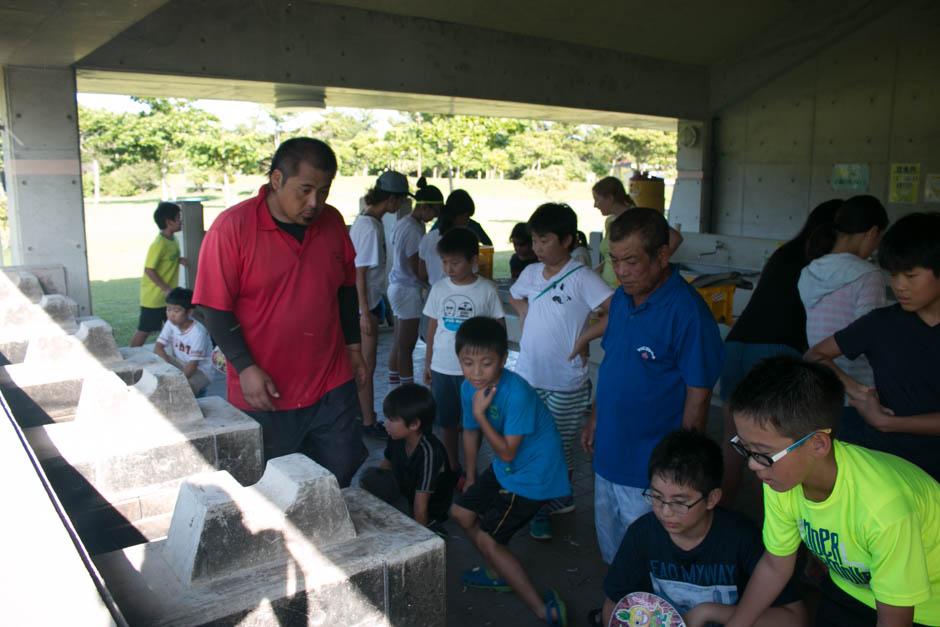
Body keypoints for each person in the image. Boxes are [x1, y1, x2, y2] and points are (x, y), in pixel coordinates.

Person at [193, 137, 367, 487]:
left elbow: (346, 290)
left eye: (324, 190)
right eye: (304, 189)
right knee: (275, 486)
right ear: (276, 180)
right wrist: (244, 367)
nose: (314, 202)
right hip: (266, 387)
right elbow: (213, 306)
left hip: (331, 380)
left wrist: (354, 349)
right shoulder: (232, 228)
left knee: (341, 468)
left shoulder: (332, 223)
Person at [724, 355, 940, 627]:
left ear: (817, 445)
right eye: (745, 448)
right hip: (850, 589)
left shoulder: (883, 508)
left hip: (925, 610)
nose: (752, 464)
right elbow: (774, 565)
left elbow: (896, 619)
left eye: (762, 454)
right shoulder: (780, 477)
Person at [580, 208, 724, 565]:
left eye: (631, 261)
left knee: (652, 558)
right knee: (613, 551)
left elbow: (699, 394)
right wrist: (595, 416)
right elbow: (612, 366)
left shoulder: (688, 312)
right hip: (609, 457)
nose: (622, 272)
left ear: (661, 256)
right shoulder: (623, 303)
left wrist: (682, 467)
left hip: (652, 471)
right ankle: (619, 609)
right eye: (615, 261)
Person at [597, 430, 806, 627]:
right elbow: (614, 604)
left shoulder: (742, 538)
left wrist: (708, 611)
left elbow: (794, 619)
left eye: (680, 502)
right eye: (657, 497)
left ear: (712, 498)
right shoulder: (642, 534)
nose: (665, 512)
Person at [718, 199, 842, 504]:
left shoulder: (785, 252)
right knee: (774, 446)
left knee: (735, 439)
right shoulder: (824, 261)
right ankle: (772, 521)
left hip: (737, 343)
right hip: (776, 348)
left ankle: (719, 513)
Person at [451, 316, 570, 626]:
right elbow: (469, 431)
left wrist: (480, 413)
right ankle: (497, 570)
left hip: (533, 475)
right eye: (468, 362)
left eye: (486, 363)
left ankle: (542, 610)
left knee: (490, 540)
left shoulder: (516, 392)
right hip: (507, 467)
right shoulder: (469, 387)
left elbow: (505, 450)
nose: (476, 373)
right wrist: (471, 477)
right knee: (462, 514)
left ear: (503, 360)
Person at [805, 211, 940, 480]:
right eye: (893, 275)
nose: (899, 286)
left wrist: (888, 422)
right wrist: (857, 391)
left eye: (911, 276)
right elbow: (815, 355)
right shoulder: (881, 323)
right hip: (884, 466)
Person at [509, 203, 612, 540]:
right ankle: (548, 502)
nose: (537, 248)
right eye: (534, 240)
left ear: (567, 240)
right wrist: (525, 315)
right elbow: (515, 297)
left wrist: (585, 336)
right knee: (534, 442)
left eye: (544, 240)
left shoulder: (583, 277)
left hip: (566, 381)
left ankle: (550, 500)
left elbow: (615, 311)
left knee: (558, 445)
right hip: (529, 375)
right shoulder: (530, 273)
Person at [422, 227, 505, 475]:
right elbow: (432, 329)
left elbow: (499, 329)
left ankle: (470, 465)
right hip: (443, 366)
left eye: (455, 262)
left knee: (473, 420)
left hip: (475, 372)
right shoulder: (439, 289)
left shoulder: (487, 290)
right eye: (445, 262)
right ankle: (452, 464)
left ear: (473, 261)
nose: (448, 268)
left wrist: (497, 366)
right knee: (446, 421)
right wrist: (428, 364)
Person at [798, 195, 889, 389]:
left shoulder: (809, 271)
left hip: (819, 385)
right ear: (872, 232)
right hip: (859, 389)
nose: (875, 247)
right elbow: (869, 335)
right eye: (878, 240)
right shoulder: (868, 275)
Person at [350, 171, 409, 439]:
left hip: (369, 302)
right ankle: (366, 420)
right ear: (392, 200)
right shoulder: (371, 227)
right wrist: (364, 312)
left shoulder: (366, 221)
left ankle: (362, 415)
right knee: (366, 365)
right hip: (364, 305)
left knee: (364, 364)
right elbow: (359, 272)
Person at [358, 384, 454, 536]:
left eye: (391, 419)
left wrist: (419, 541)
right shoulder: (397, 437)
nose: (385, 423)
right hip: (406, 491)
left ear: (414, 424)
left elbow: (421, 505)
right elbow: (385, 465)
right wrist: (371, 486)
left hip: (427, 507)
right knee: (368, 479)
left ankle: (430, 529)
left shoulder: (430, 452)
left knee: (411, 527)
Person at [387, 177, 439, 387]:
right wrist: (429, 284)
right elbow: (415, 266)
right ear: (424, 207)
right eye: (433, 212)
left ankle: (394, 388)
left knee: (399, 344)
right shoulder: (414, 229)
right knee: (406, 346)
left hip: (397, 286)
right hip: (408, 289)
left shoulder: (404, 223)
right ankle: (407, 391)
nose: (433, 217)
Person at [592, 177, 682, 288]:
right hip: (607, 285)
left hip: (628, 285)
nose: (595, 205)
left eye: (597, 199)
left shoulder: (637, 218)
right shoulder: (610, 221)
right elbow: (610, 256)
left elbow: (675, 238)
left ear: (610, 198)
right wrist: (598, 269)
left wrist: (655, 265)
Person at [131, 201, 187, 347]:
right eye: (178, 218)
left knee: (173, 327)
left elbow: (168, 258)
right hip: (154, 299)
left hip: (167, 299)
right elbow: (149, 269)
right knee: (145, 330)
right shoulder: (158, 244)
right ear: (169, 222)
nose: (181, 221)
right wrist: (165, 288)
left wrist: (179, 260)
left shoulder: (173, 239)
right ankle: (132, 355)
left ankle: (171, 355)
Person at [153, 287, 213, 396]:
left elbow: (193, 365)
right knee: (155, 367)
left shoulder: (198, 332)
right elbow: (158, 347)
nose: (171, 314)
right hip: (180, 363)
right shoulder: (171, 323)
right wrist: (168, 366)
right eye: (168, 309)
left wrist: (178, 380)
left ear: (189, 312)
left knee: (184, 389)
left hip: (201, 371)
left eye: (176, 310)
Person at [414, 178, 447, 286]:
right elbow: (420, 271)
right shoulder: (411, 229)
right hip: (407, 288)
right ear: (424, 207)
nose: (435, 218)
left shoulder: (419, 225)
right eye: (435, 213)